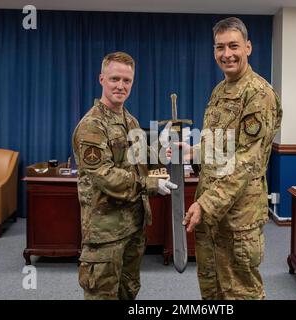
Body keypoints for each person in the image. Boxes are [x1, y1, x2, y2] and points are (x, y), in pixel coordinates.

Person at [180, 17, 282, 299]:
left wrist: (205, 203)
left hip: (239, 218)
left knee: (241, 292)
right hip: (213, 216)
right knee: (213, 291)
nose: (227, 54)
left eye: (234, 46)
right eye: (220, 47)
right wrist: (192, 153)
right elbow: (221, 149)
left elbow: (247, 160)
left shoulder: (259, 94)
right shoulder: (220, 91)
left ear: (248, 47)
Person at [72, 51, 176, 300]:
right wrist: (149, 184)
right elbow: (104, 176)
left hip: (132, 227)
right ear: (101, 79)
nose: (121, 86)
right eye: (114, 79)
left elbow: (140, 159)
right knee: (103, 295)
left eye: (127, 80)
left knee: (128, 293)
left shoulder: (129, 120)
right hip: (105, 233)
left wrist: (162, 149)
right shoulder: (92, 126)